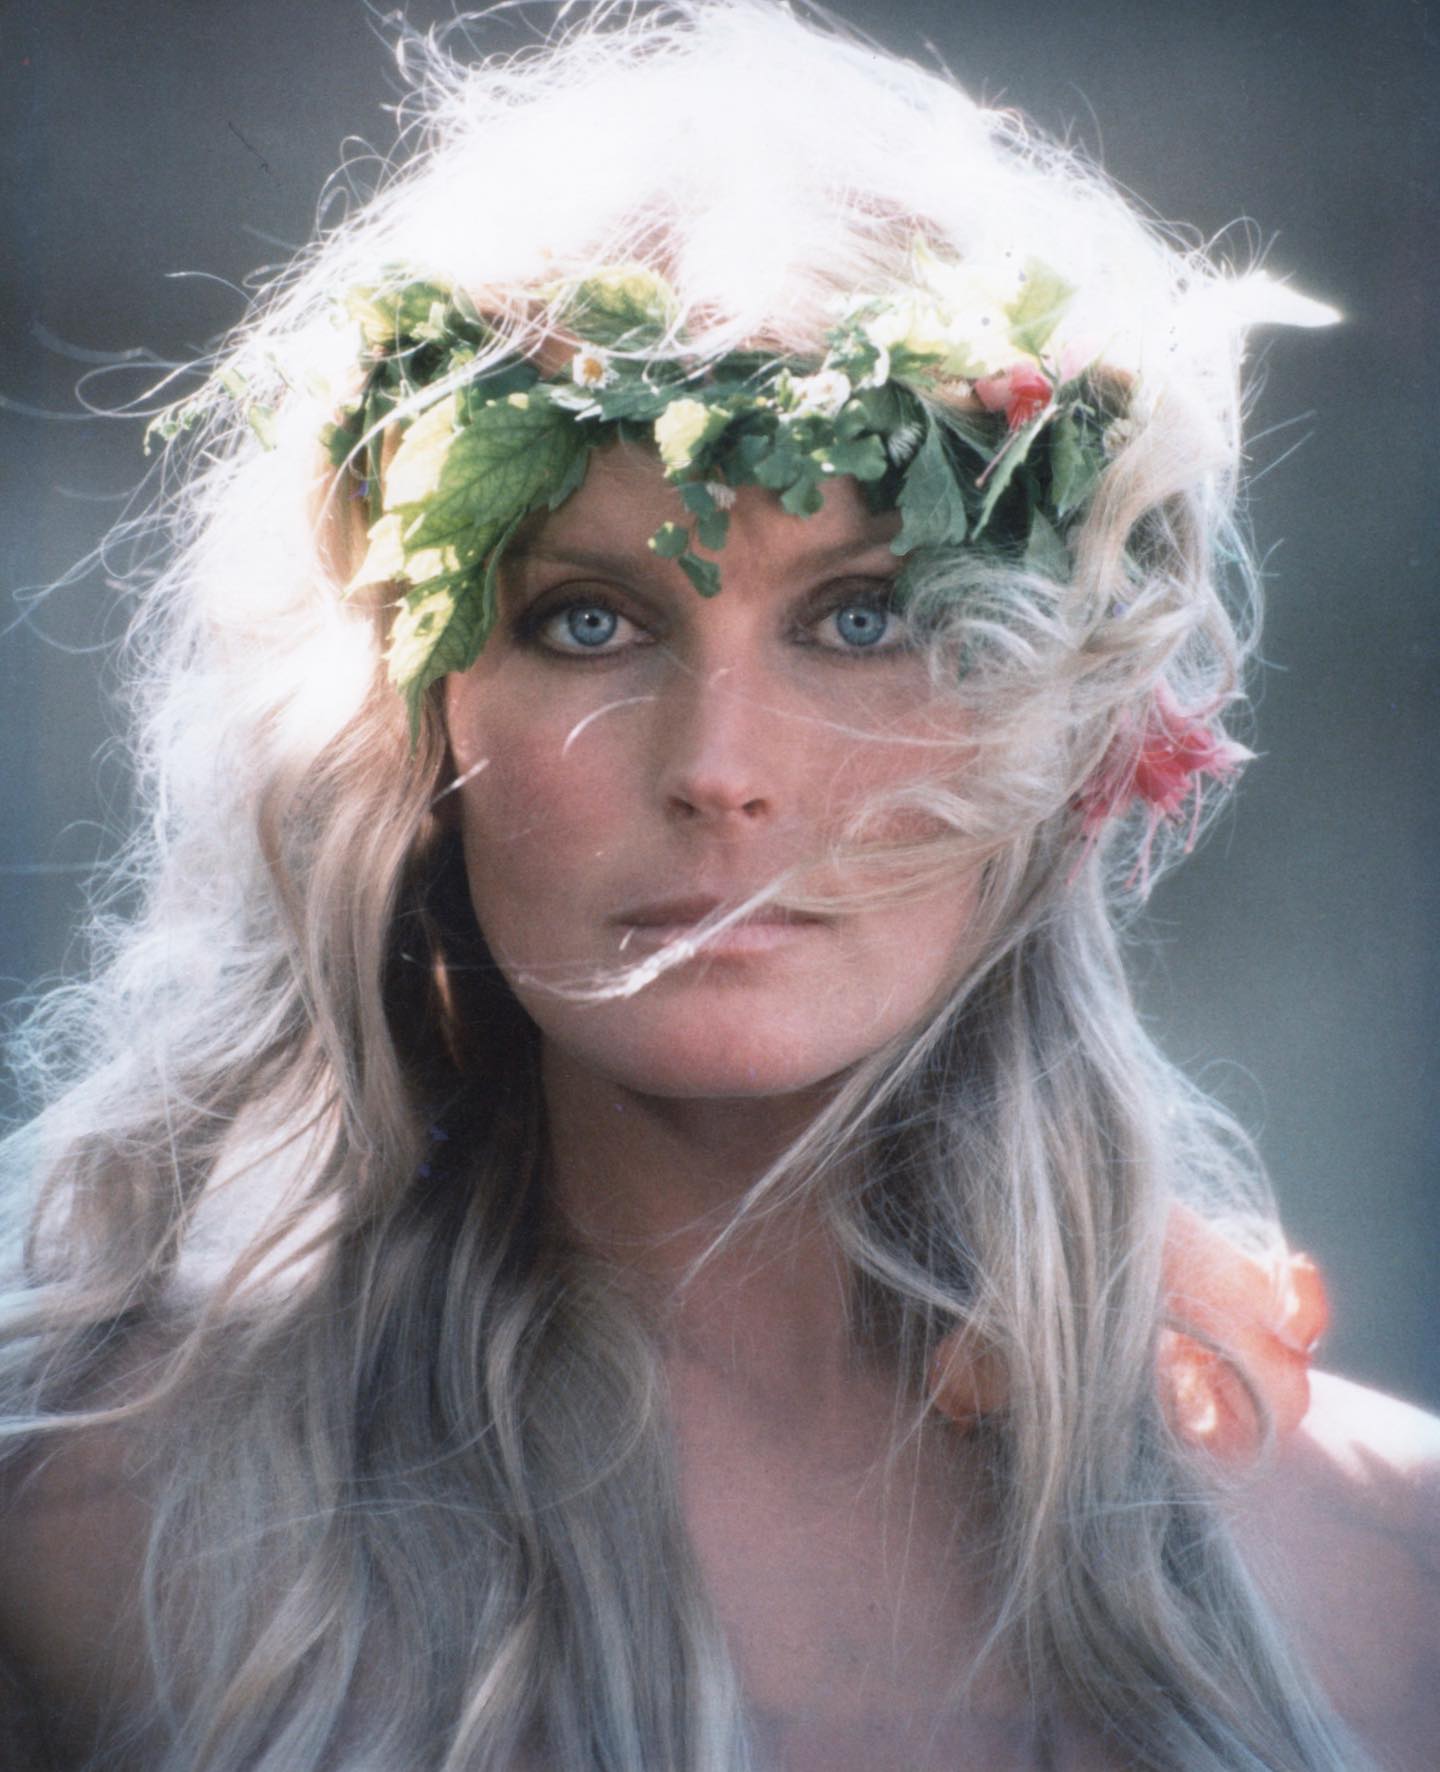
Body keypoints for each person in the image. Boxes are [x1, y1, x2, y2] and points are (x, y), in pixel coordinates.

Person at [0, 3, 1435, 1768]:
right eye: (587, 620)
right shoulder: (78, 1543)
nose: (720, 765)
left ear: (1062, 718)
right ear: (412, 720)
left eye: (864, 617)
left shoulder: (1397, 1582)